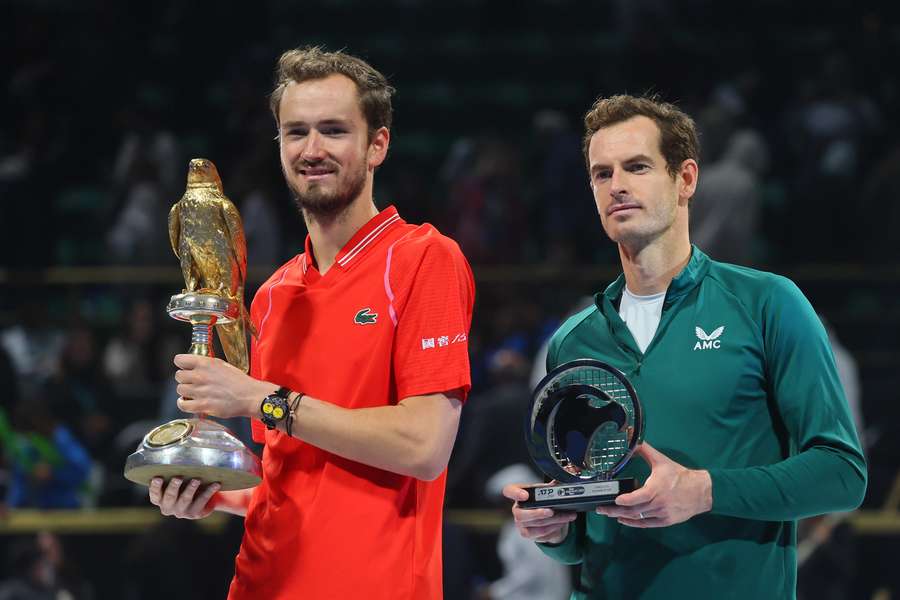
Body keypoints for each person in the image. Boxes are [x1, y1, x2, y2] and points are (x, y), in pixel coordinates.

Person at [502, 94, 867, 599]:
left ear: (686, 179)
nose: (617, 186)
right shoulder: (573, 339)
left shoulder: (768, 304)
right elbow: (582, 539)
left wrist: (704, 491)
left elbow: (842, 473)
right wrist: (553, 530)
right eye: (601, 173)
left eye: (637, 166)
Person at [146, 47, 475, 600]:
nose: (312, 149)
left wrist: (261, 398)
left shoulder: (424, 257)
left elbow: (423, 446)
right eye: (295, 132)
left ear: (378, 144)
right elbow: (294, 476)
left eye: (333, 130)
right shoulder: (271, 296)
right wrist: (216, 493)